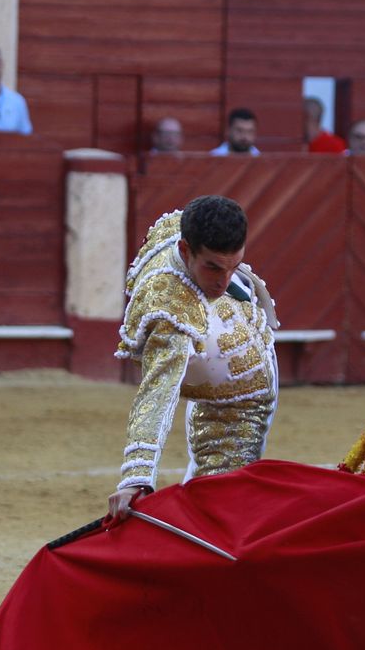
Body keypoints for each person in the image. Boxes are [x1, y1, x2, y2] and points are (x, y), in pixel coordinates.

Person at [107, 195, 279, 520]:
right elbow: (158, 391)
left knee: (217, 498)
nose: (223, 281)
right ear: (185, 251)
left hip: (238, 379)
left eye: (233, 265)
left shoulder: (186, 230)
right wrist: (137, 478)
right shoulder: (168, 309)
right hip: (230, 394)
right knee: (217, 509)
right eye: (212, 267)